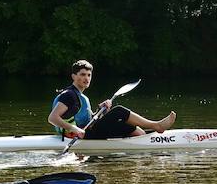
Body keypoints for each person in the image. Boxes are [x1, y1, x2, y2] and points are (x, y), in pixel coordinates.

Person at [47, 59, 175, 140]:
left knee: (126, 126)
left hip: (86, 132)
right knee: (119, 111)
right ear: (73, 76)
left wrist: (101, 110)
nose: (86, 78)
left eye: (89, 75)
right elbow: (52, 118)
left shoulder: (82, 97)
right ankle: (156, 126)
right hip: (78, 136)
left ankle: (146, 138)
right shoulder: (69, 95)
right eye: (82, 74)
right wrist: (76, 130)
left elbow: (89, 120)